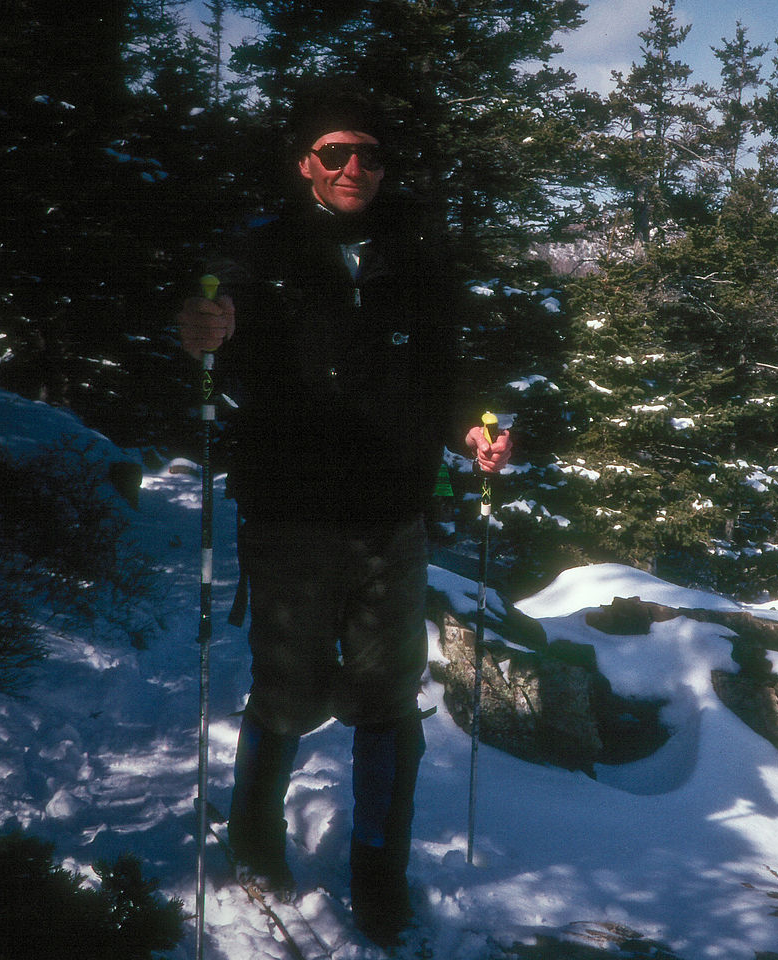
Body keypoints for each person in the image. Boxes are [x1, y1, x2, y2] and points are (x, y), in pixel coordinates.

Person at [176, 78, 511, 946]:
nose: (354, 166)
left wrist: (472, 430)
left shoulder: (416, 255)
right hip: (290, 512)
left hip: (393, 515)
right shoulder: (264, 250)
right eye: (336, 153)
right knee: (286, 692)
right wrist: (205, 325)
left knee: (387, 701)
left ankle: (379, 873)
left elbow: (447, 373)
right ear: (305, 165)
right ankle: (253, 835)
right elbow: (219, 309)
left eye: (368, 153)